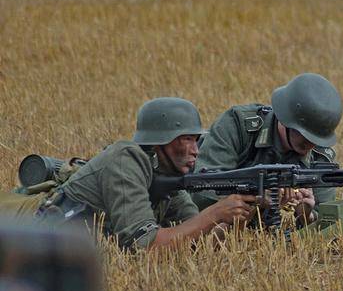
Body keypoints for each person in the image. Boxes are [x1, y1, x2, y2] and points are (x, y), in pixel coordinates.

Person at [0, 97, 256, 250]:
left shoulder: (167, 175)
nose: (195, 151)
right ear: (160, 142)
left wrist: (241, 212)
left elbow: (197, 242)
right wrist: (214, 212)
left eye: (195, 140)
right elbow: (147, 247)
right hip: (22, 226)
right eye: (186, 140)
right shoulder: (126, 159)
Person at [192, 73, 343, 226]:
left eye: (316, 139)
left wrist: (306, 215)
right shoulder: (237, 126)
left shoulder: (319, 156)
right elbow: (202, 192)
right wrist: (256, 199)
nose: (311, 144)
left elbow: (326, 222)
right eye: (305, 135)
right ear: (285, 119)